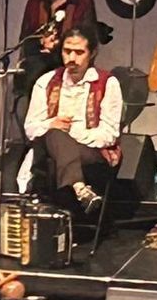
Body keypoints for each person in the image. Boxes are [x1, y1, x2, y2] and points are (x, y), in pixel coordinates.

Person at [21, 28, 121, 211]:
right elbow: (31, 128)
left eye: (79, 52)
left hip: (92, 152)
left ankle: (75, 186)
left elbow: (109, 134)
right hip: (50, 149)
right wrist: (52, 124)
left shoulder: (108, 83)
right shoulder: (46, 81)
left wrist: (72, 135)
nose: (72, 58)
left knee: (57, 135)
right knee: (54, 133)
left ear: (92, 53)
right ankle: (79, 187)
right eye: (67, 51)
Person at [14, 0, 99, 106]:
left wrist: (58, 44)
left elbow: (88, 38)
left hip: (70, 62)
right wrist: (41, 42)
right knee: (30, 72)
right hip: (37, 63)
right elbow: (24, 38)